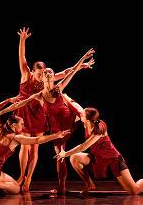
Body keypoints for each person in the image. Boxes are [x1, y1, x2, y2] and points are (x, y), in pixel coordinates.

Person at [0, 48, 95, 194]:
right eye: (44, 73)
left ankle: (62, 187)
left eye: (49, 72)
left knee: (60, 152)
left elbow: (70, 72)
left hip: (66, 122)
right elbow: (18, 104)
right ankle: (63, 187)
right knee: (59, 155)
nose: (46, 74)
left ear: (53, 77)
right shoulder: (39, 95)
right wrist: (1, 112)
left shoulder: (58, 88)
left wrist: (82, 59)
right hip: (55, 126)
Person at [15, 27, 95, 191]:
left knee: (35, 146)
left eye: (44, 72)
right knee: (24, 145)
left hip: (40, 114)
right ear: (34, 71)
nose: (42, 75)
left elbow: (68, 73)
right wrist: (22, 40)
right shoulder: (27, 75)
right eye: (40, 73)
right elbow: (22, 57)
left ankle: (29, 179)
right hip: (27, 113)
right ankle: (22, 175)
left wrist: (81, 65)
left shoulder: (51, 83)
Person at [54, 94, 143, 195]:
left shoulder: (99, 129)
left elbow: (84, 146)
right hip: (97, 158)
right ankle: (90, 184)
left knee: (134, 190)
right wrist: (63, 95)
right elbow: (75, 104)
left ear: (87, 119)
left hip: (113, 159)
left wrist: (65, 153)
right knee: (74, 158)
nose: (80, 114)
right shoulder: (87, 121)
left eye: (82, 115)